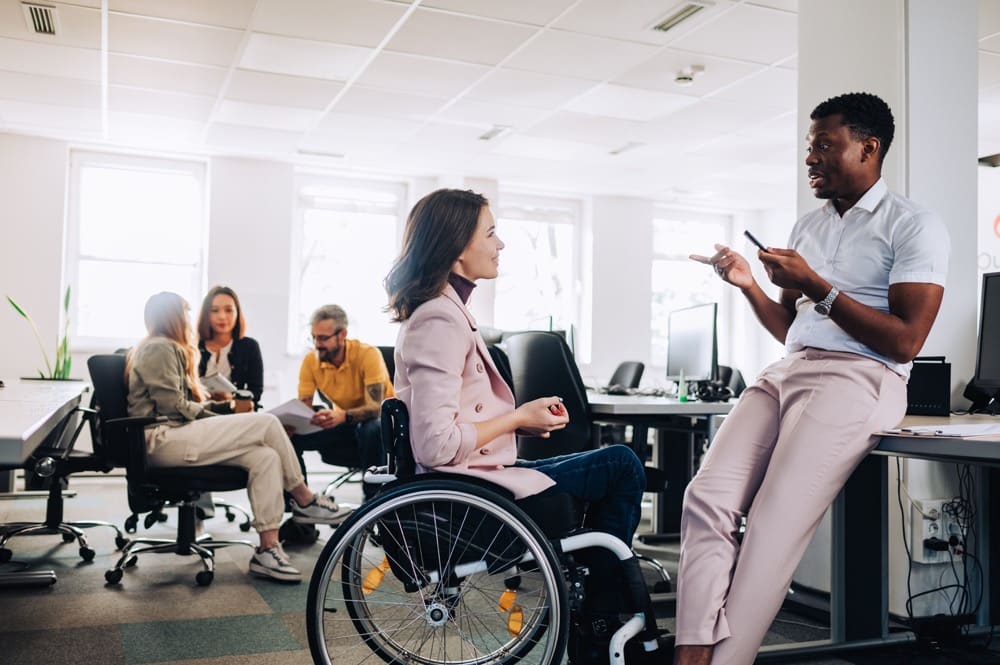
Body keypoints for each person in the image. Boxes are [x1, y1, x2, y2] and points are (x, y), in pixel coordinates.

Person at [674, 92, 949, 665]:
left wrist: (819, 285)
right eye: (809, 148)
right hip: (788, 371)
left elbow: (906, 341)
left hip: (861, 377)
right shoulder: (809, 226)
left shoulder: (913, 224)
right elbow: (790, 326)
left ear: (868, 148)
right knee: (707, 497)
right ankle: (692, 651)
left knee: (772, 527)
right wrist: (750, 283)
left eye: (825, 146)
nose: (811, 160)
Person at [385, 188, 654, 663]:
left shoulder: (447, 312)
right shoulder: (440, 320)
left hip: (475, 478)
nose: (500, 243)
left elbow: (452, 422)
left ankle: (596, 606)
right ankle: (600, 620)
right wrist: (515, 417)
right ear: (456, 247)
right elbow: (435, 444)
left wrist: (519, 425)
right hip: (470, 494)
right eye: (490, 232)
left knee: (615, 465)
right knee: (622, 464)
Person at [126, 292, 354, 583]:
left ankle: (267, 549)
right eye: (185, 312)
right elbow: (175, 408)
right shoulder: (160, 348)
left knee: (265, 456)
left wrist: (225, 410)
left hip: (175, 435)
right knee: (267, 424)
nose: (189, 319)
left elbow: (181, 404)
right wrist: (227, 417)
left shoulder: (166, 347)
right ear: (173, 317)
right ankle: (305, 500)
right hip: (161, 440)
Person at [289, 304, 393, 503]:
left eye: (323, 338)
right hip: (345, 423)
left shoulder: (367, 355)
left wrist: (343, 415)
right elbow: (304, 406)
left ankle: (373, 501)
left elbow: (376, 408)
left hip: (383, 424)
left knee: (371, 428)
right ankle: (302, 503)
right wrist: (303, 419)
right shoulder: (312, 361)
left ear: (342, 334)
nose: (317, 344)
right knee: (290, 438)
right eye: (314, 337)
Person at [197, 285, 264, 407]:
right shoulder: (193, 346)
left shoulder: (249, 346)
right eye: (214, 310)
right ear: (206, 314)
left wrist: (232, 397)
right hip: (200, 412)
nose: (222, 317)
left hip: (234, 412)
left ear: (237, 313)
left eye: (229, 310)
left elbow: (256, 392)